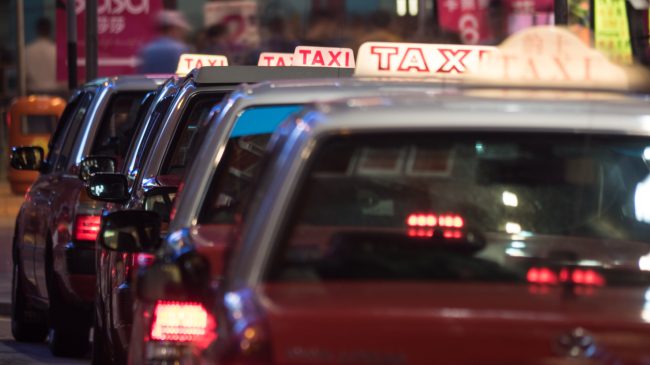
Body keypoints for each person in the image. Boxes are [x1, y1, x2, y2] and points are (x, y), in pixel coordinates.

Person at [25, 18, 59, 93]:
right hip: (55, 93)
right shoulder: (56, 50)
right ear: (50, 30)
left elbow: (24, 76)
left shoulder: (28, 50)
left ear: (37, 30)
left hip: (34, 93)